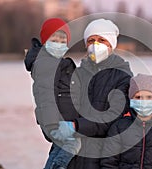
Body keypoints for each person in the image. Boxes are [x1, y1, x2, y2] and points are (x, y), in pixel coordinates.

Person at [50, 18, 133, 169]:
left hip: (102, 158)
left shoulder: (122, 77)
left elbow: (113, 117)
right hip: (72, 157)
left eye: (102, 40)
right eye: (91, 41)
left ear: (111, 45)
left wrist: (76, 126)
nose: (95, 45)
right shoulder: (77, 74)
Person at [26, 18, 81, 169]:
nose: (58, 44)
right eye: (54, 40)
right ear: (45, 42)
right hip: (54, 121)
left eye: (62, 41)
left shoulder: (57, 63)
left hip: (62, 120)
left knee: (59, 148)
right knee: (73, 143)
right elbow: (45, 96)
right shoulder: (46, 64)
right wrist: (51, 124)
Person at [100, 74, 152, 169]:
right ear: (131, 99)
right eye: (138, 97)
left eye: (149, 97)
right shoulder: (118, 127)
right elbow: (108, 163)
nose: (144, 101)